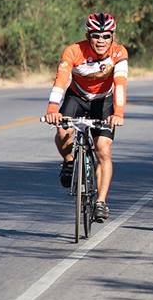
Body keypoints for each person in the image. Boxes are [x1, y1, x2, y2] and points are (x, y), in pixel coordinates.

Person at [43, 12, 128, 223]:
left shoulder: (119, 53)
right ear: (88, 35)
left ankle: (100, 202)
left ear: (113, 36)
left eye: (106, 36)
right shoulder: (73, 51)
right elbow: (61, 80)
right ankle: (69, 161)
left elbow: (120, 85)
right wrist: (53, 108)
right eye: (96, 36)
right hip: (77, 97)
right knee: (63, 131)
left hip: (104, 101)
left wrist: (118, 114)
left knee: (103, 149)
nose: (101, 41)